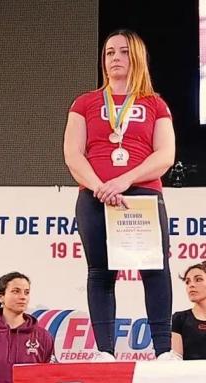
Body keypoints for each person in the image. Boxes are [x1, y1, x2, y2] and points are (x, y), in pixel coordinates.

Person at [64, 29, 180, 361]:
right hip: (94, 196)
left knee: (154, 269)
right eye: (109, 53)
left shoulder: (155, 104)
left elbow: (165, 155)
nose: (115, 58)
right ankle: (104, 351)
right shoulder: (84, 103)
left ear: (137, 57)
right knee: (100, 272)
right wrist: (100, 186)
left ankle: (163, 351)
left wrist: (123, 180)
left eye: (123, 52)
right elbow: (73, 154)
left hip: (140, 194)